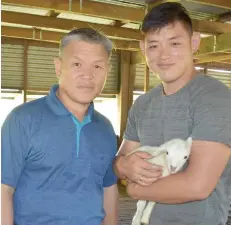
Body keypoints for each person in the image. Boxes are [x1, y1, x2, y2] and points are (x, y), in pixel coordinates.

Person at [114, 2, 231, 225]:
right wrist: (123, 166)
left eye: (174, 43)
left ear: (194, 42)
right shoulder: (143, 103)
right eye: (154, 46)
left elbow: (197, 186)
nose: (164, 55)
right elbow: (121, 158)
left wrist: (136, 189)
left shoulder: (213, 97)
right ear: (143, 48)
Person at [1, 28, 118, 225]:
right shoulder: (22, 119)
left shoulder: (105, 127)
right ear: (58, 67)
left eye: (97, 67)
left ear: (107, 70)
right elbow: (3, 189)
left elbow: (109, 189)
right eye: (77, 64)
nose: (87, 75)